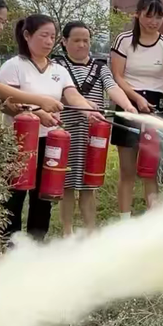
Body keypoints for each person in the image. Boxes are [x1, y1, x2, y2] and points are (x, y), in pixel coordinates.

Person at [0, 14, 104, 242]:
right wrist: (38, 113)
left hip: (50, 142)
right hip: (18, 142)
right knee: (15, 196)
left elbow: (72, 95)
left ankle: (36, 244)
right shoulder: (13, 66)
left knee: (43, 196)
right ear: (27, 36)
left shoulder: (58, 70)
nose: (49, 41)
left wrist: (88, 109)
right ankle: (9, 246)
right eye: (43, 35)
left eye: (52, 37)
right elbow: (7, 104)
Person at [54, 21, 137, 236]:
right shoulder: (57, 65)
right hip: (65, 133)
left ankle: (91, 232)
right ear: (64, 42)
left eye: (86, 40)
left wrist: (128, 106)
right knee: (68, 185)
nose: (82, 45)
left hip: (93, 136)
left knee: (89, 184)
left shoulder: (99, 66)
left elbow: (112, 88)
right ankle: (67, 232)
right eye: (76, 40)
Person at [110, 0, 163, 217]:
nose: (153, 22)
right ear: (137, 15)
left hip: (155, 108)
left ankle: (153, 220)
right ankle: (125, 219)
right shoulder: (123, 40)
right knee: (127, 170)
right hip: (128, 105)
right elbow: (117, 76)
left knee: (149, 169)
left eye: (159, 17)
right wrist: (136, 98)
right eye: (149, 16)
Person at [0, 0, 62, 111]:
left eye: (3, 22)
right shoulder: (13, 65)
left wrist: (31, 110)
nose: (0, 27)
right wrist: (40, 101)